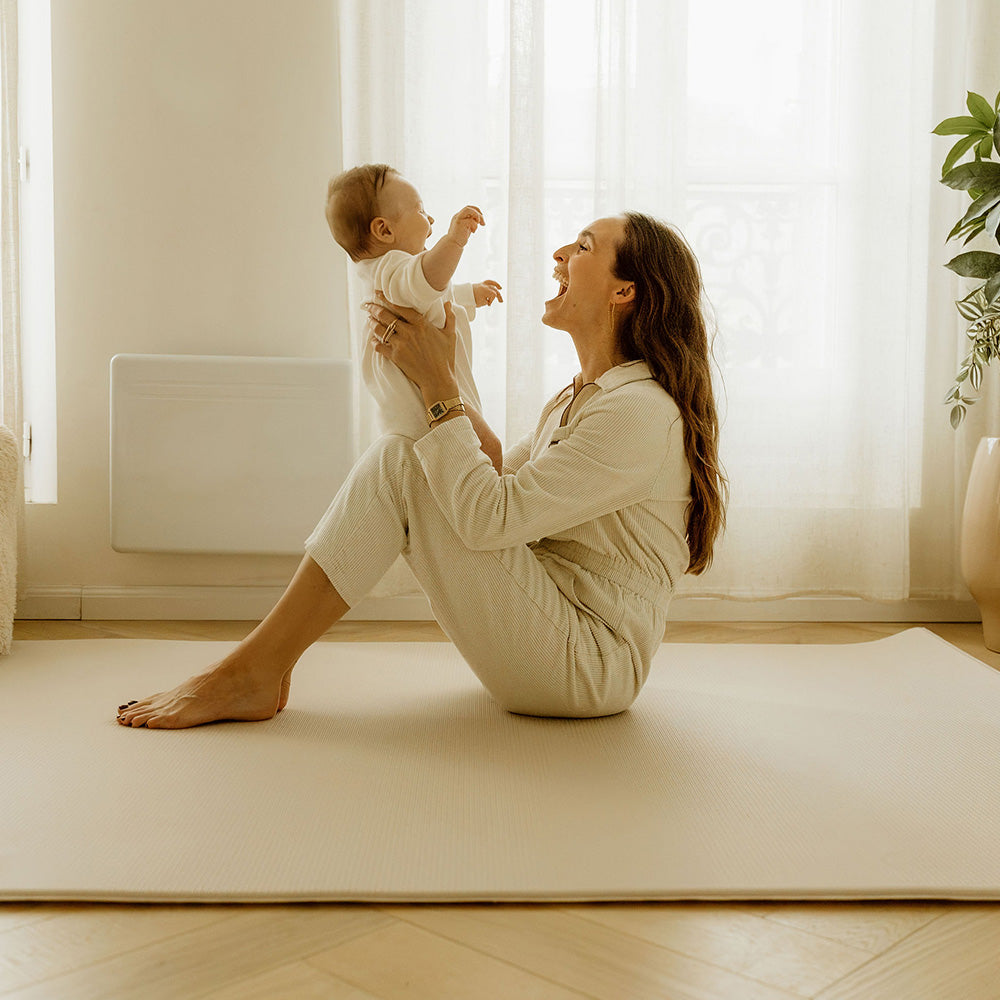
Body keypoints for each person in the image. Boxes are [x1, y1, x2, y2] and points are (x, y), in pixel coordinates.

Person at [116, 212, 727, 729]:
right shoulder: (584, 396)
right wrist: (432, 370)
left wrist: (437, 383)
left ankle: (252, 670)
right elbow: (497, 477)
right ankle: (256, 668)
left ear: (626, 291)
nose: (561, 254)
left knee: (406, 459)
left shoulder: (638, 412)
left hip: (587, 666)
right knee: (405, 450)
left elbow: (491, 520)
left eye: (585, 248)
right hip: (553, 621)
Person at [326, 163, 503, 472]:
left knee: (478, 457)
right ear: (384, 230)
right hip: (423, 411)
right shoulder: (392, 265)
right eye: (421, 212)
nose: (431, 219)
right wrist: (454, 240)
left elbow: (432, 293)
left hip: (423, 407)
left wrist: (470, 294)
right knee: (486, 453)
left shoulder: (393, 278)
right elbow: (427, 280)